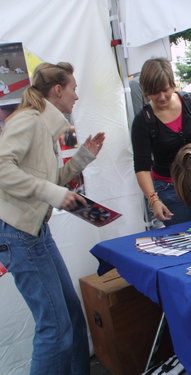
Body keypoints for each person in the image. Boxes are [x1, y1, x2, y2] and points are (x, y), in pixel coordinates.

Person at [0, 62, 105, 374]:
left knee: (71, 317)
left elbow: (51, 179)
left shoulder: (44, 125)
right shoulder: (29, 121)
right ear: (57, 90)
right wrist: (54, 194)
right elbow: (2, 168)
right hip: (19, 235)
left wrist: (84, 156)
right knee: (55, 328)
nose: (76, 95)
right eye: (72, 88)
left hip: (34, 234)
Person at [131, 58, 191, 227]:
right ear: (146, 92)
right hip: (168, 189)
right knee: (184, 239)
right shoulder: (143, 121)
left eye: (165, 90)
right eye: (154, 93)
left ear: (173, 84)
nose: (161, 97)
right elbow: (142, 167)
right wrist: (154, 200)